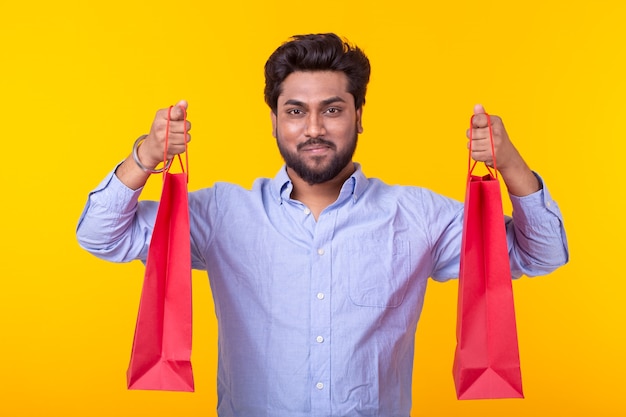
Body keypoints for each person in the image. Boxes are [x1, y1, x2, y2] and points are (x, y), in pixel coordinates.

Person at [77, 33, 568, 417]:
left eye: (332, 109)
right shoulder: (221, 215)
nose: (313, 128)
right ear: (273, 121)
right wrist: (145, 156)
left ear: (358, 116)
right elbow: (102, 236)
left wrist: (510, 165)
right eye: (296, 112)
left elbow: (539, 254)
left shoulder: (419, 216)